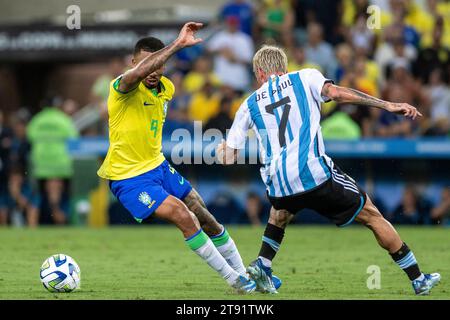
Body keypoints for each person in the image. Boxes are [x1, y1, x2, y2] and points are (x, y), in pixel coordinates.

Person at [216, 45, 440, 295]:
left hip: (278, 183)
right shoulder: (305, 76)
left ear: (259, 73)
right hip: (313, 174)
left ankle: (263, 265)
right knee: (372, 215)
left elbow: (227, 157)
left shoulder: (248, 104)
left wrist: (219, 149)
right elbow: (336, 93)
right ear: (284, 67)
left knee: (279, 212)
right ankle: (418, 278)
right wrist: (386, 105)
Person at [96, 22, 256, 293]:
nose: (153, 70)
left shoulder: (167, 88)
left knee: (203, 213)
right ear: (133, 63)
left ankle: (245, 273)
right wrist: (178, 45)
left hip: (157, 165)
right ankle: (235, 281)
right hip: (128, 177)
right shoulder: (121, 87)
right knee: (183, 216)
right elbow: (136, 75)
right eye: (146, 64)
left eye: (159, 64)